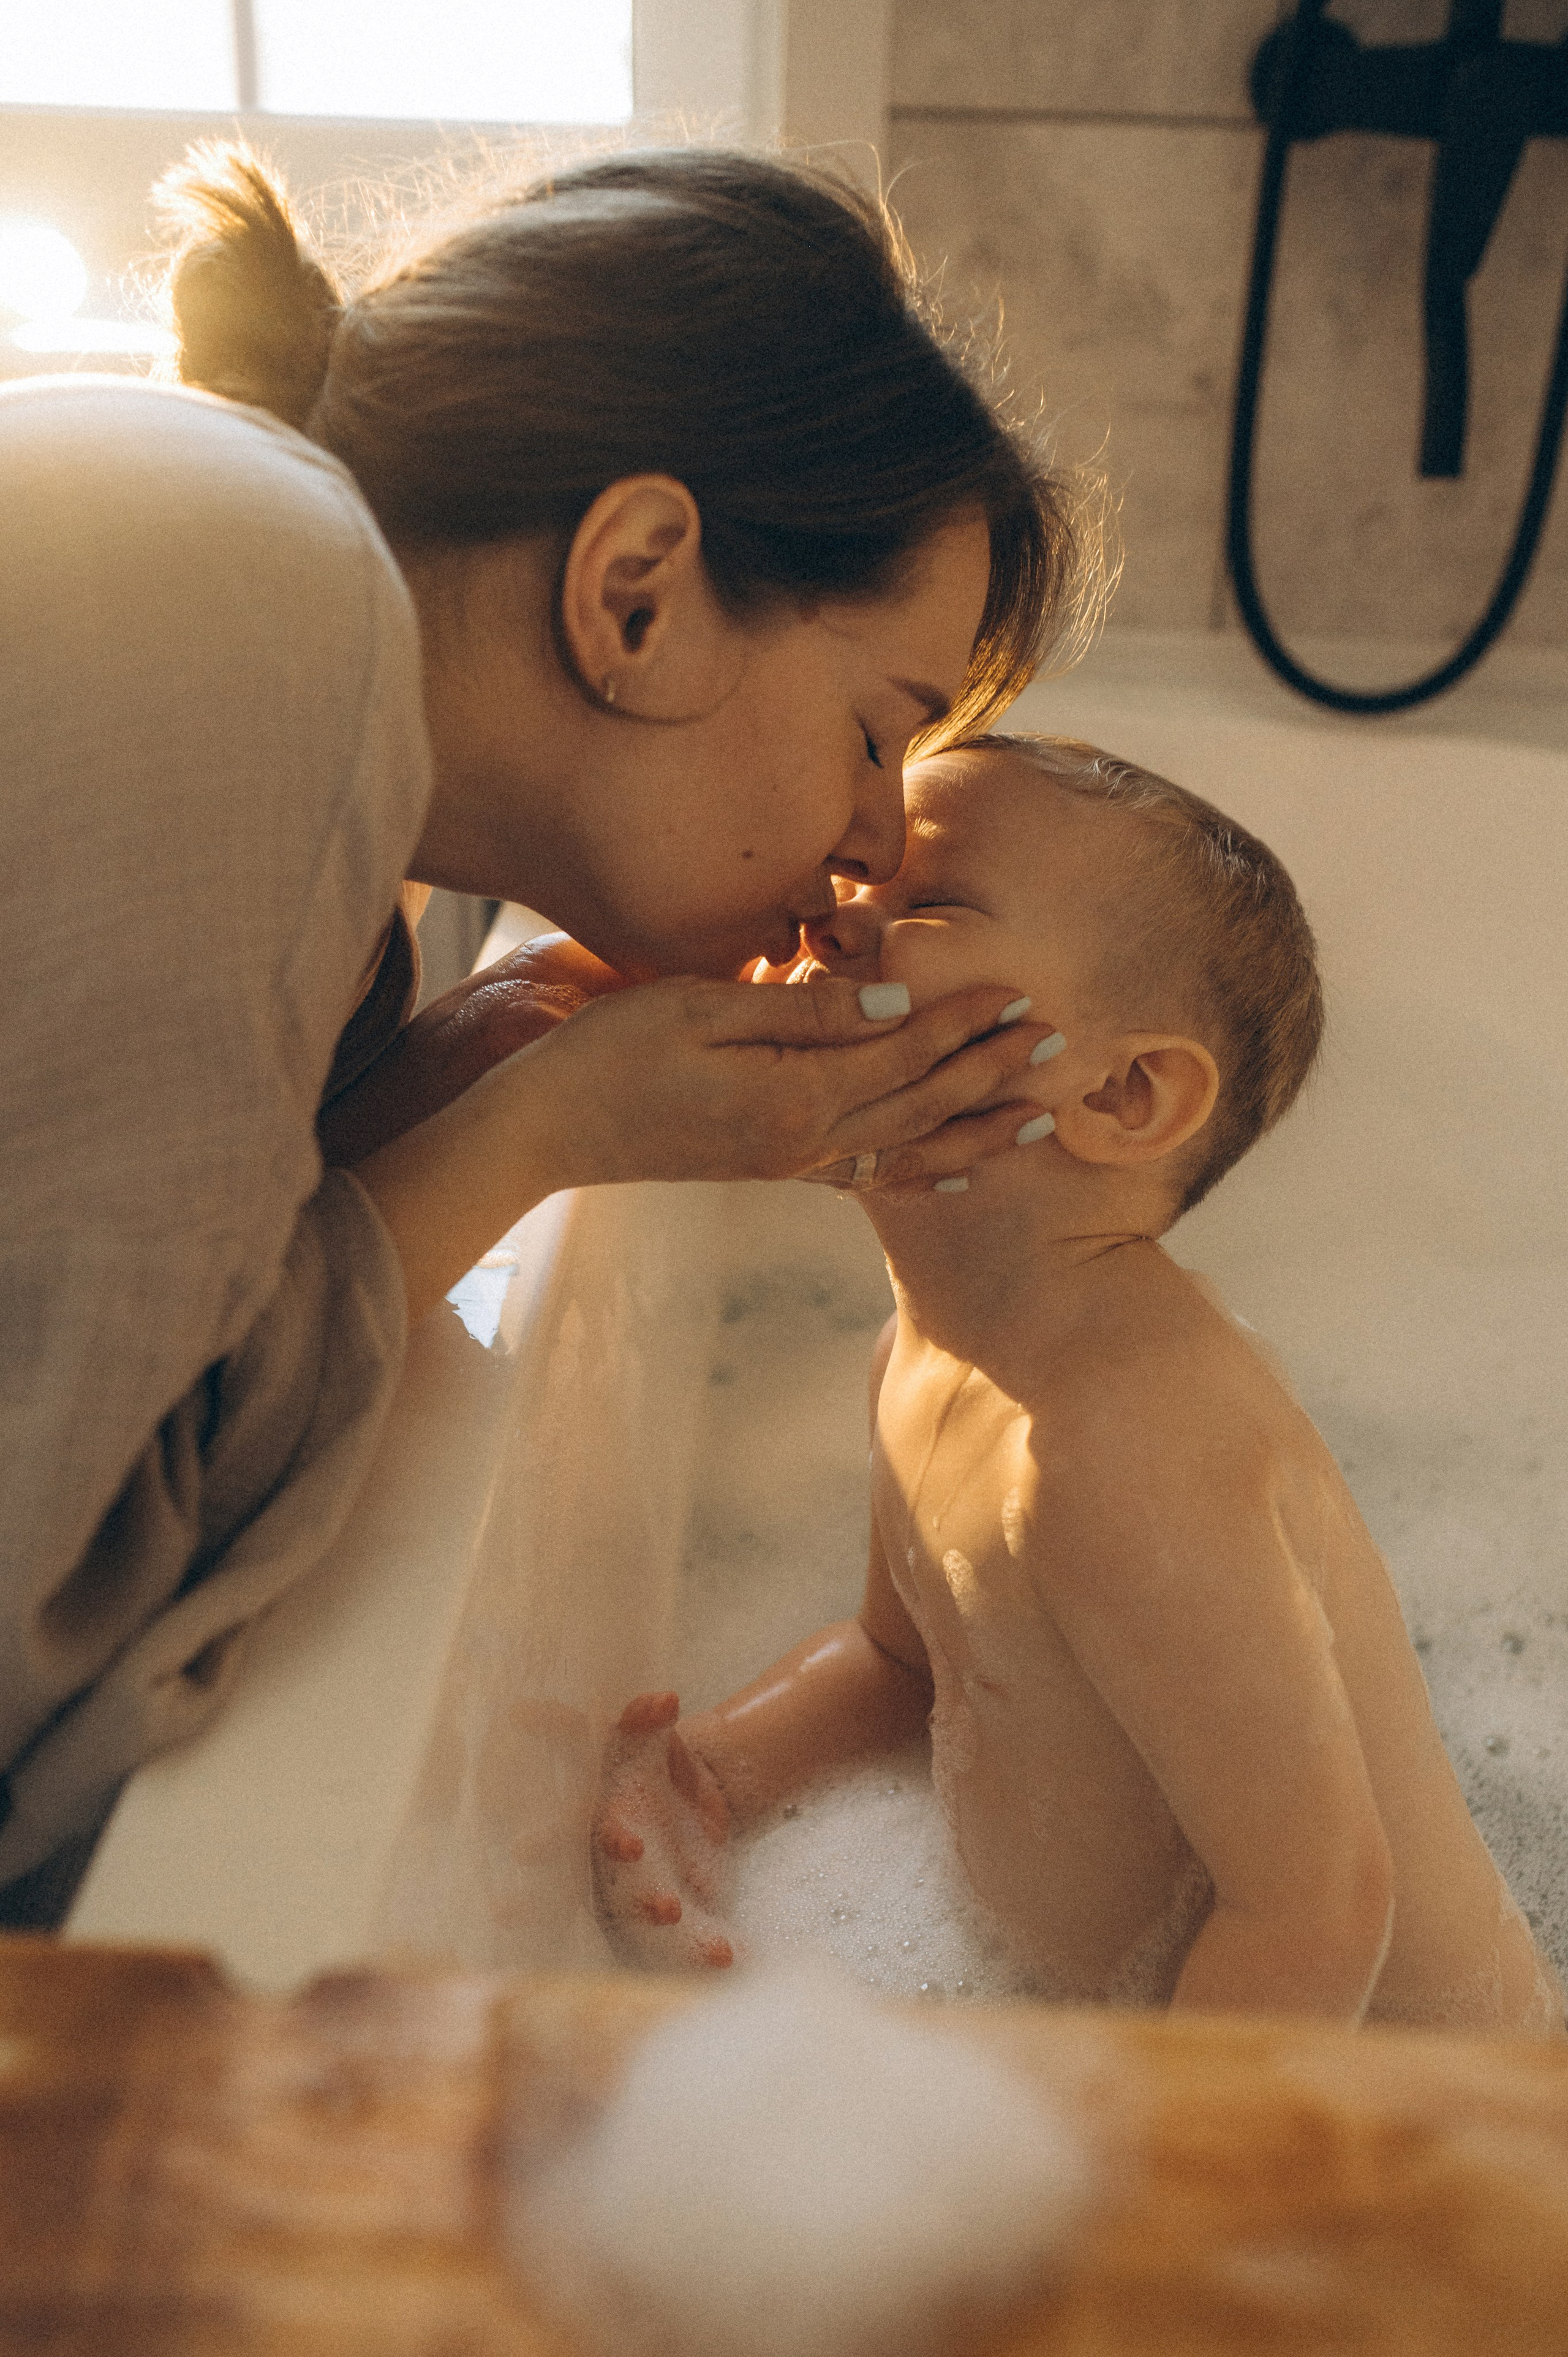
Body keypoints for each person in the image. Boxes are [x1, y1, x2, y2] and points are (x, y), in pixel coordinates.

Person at [0, 146, 1096, 1909]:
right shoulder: (255, 626)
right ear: (635, 589)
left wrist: (460, 1080)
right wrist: (542, 1131)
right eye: (876, 732)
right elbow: (42, 1588)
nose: (882, 842)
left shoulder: (268, 600)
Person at [594, 735, 1565, 2034]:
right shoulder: (925, 1354)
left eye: (929, 906)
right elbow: (902, 1665)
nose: (831, 920)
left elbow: (1318, 1911)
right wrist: (715, 1772)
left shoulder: (1128, 1445)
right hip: (1132, 2014)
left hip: (1406, 2098)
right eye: (845, 881)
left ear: (1122, 1094)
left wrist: (1133, 2148)